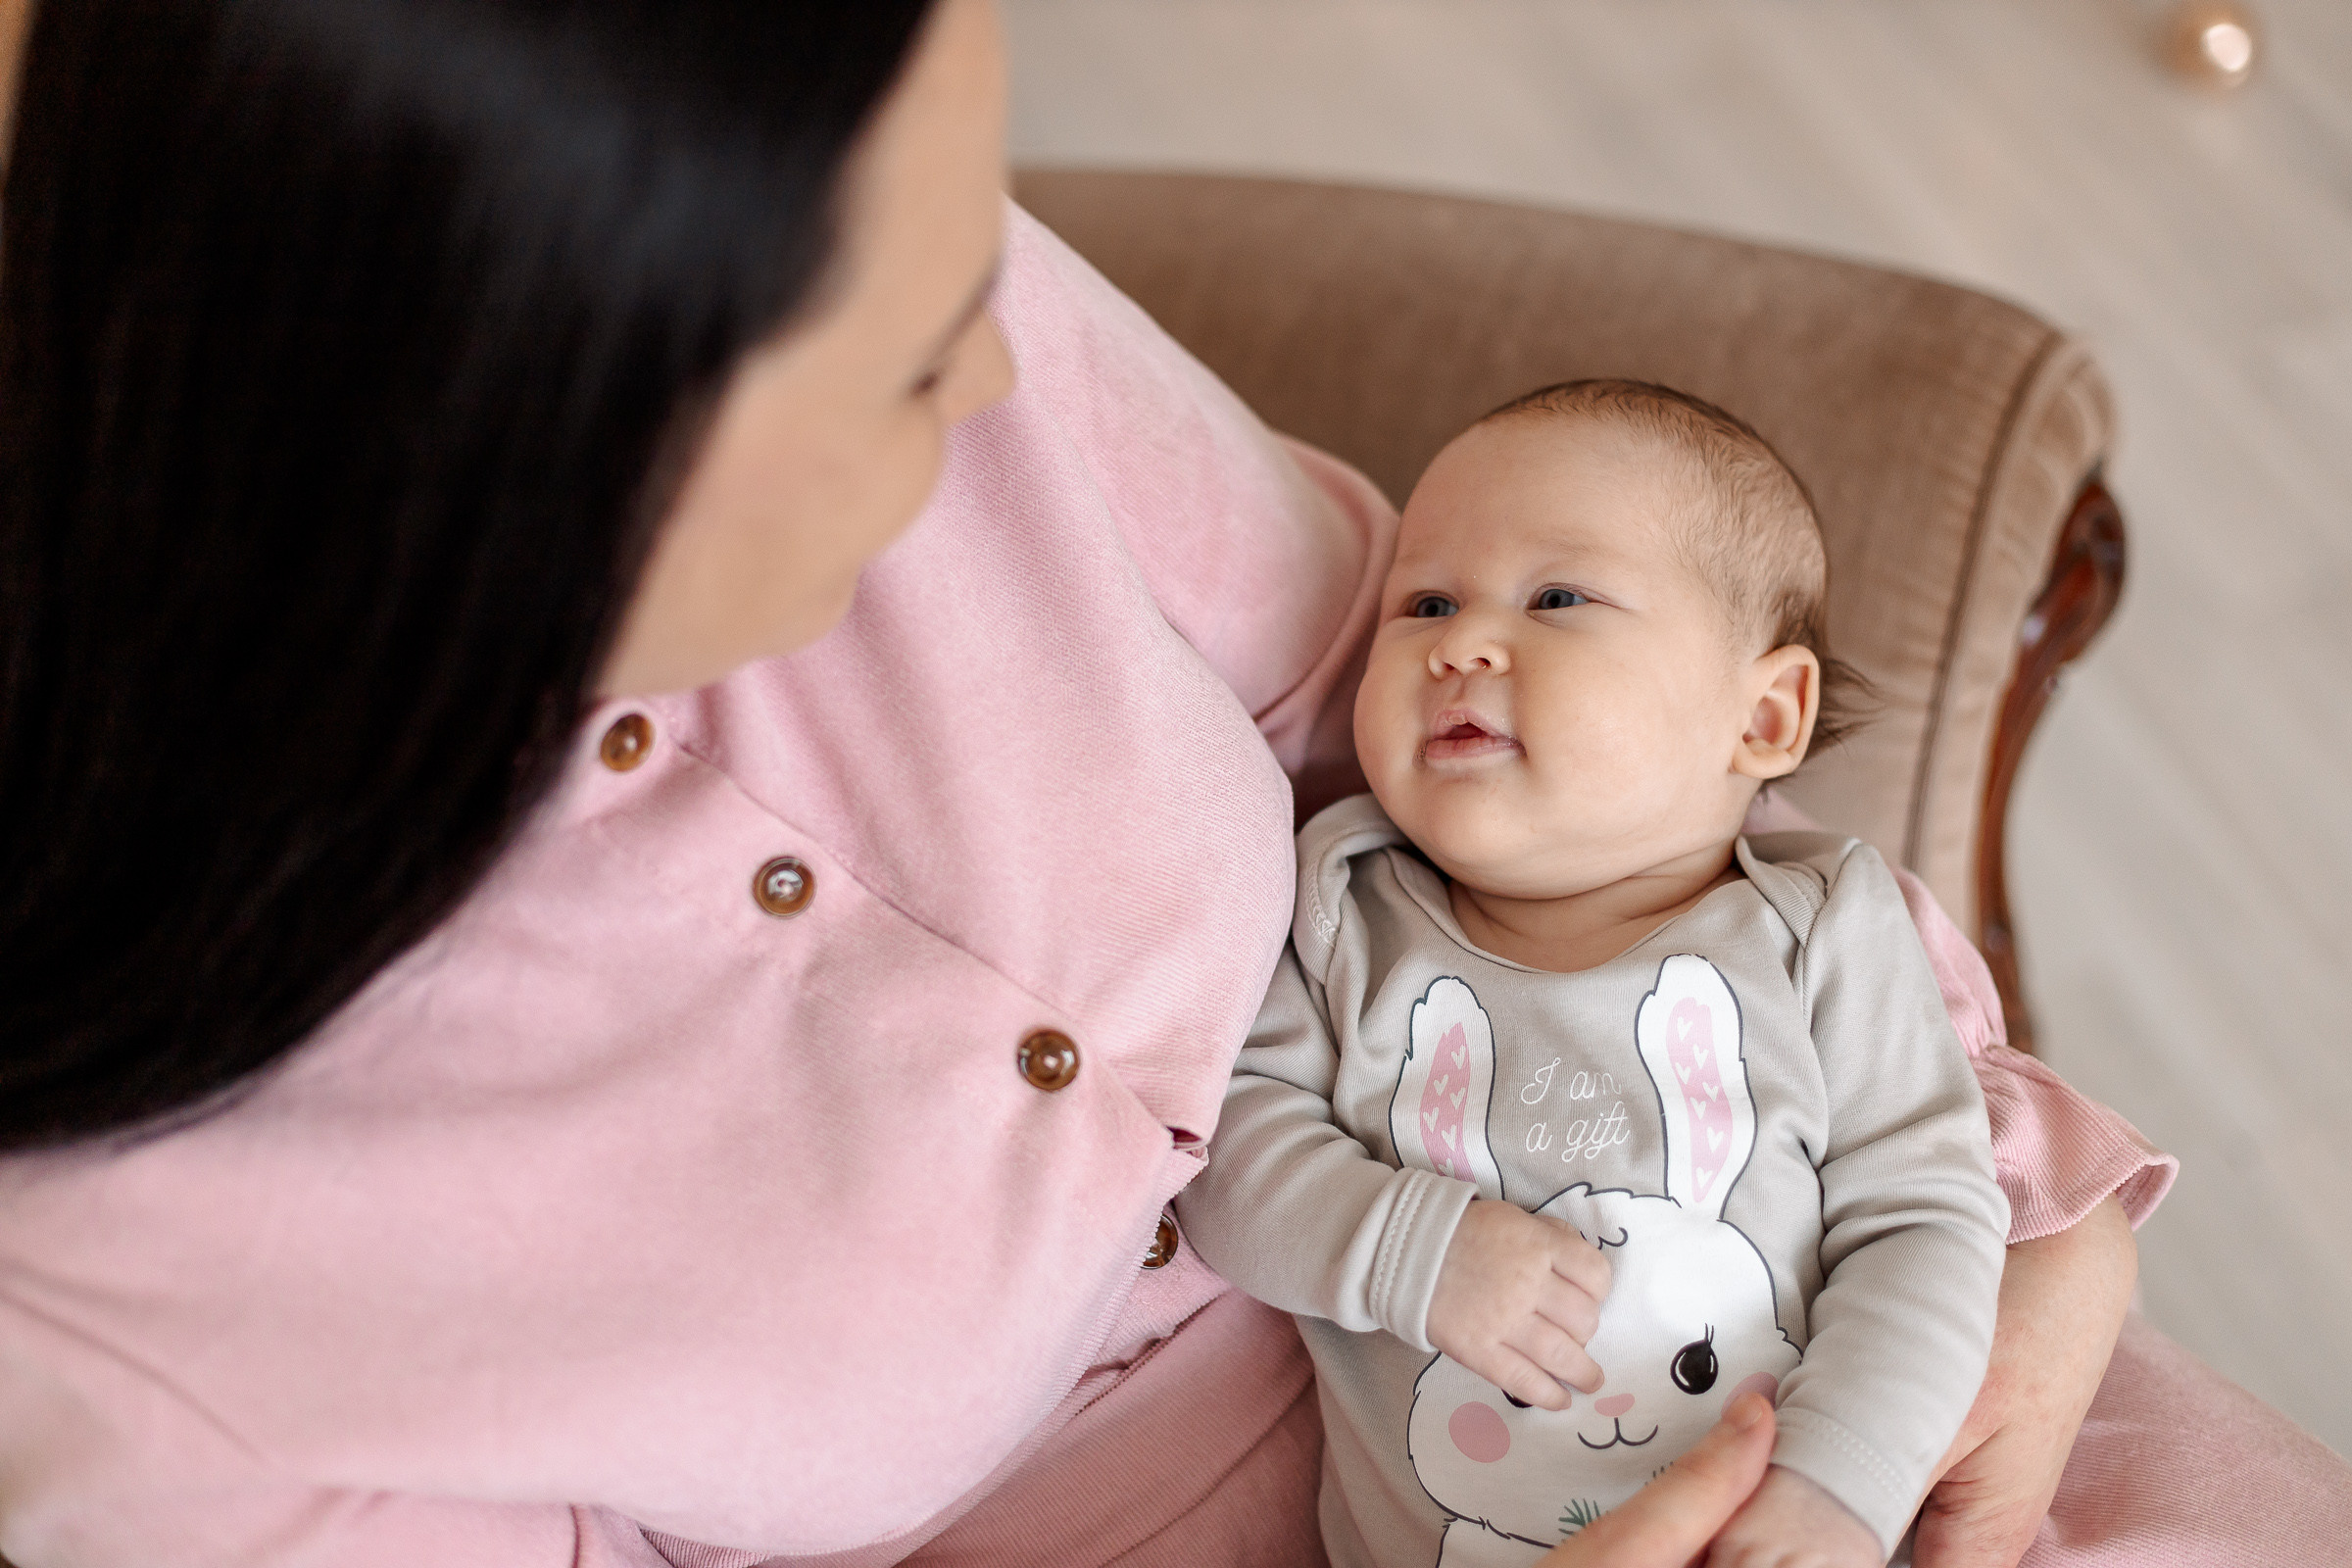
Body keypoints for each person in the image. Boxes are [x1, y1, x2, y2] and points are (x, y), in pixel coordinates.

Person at [0, 2, 2343, 1566]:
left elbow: (1564, 798)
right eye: (923, 351)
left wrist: (2013, 1226)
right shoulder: (145, 1361)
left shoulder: (884, 275)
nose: (1008, 360)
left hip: (1852, 1354)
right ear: (531, 476)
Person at [1180, 381, 2010, 1568]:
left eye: (1558, 597)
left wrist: (1845, 1482)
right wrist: (1411, 1246)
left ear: (1763, 715)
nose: (1460, 641)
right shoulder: (1343, 907)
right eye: (1422, 603)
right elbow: (1226, 1161)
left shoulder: (1822, 931)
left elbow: (1925, 1221)